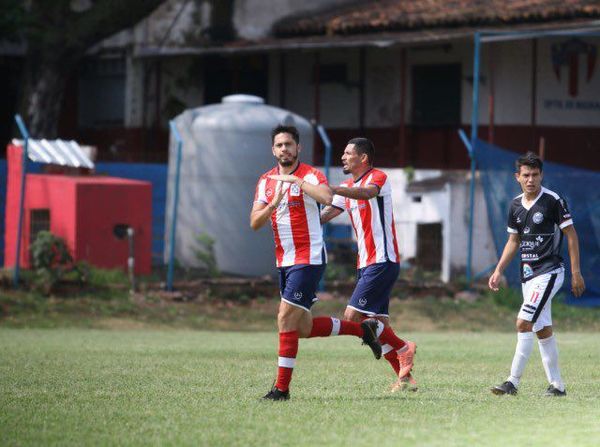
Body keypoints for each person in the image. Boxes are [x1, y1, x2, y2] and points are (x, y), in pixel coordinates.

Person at [250, 125, 383, 401]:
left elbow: (326, 197)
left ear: (298, 148)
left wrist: (298, 183)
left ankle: (281, 390)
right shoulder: (265, 181)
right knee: (302, 329)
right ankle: (363, 330)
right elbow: (254, 223)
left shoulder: (310, 174)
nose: (284, 149)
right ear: (273, 150)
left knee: (284, 319)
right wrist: (272, 204)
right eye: (279, 145)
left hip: (308, 259)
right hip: (284, 261)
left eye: (289, 144)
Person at [320, 137, 418, 392]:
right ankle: (404, 378)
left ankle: (405, 347)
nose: (342, 157)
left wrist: (334, 189)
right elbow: (326, 215)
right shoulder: (347, 186)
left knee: (352, 317)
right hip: (366, 263)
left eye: (347, 153)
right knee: (379, 325)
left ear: (363, 158)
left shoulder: (377, 178)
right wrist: (300, 217)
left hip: (382, 260)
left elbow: (367, 194)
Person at [489, 151, 585, 397]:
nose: (530, 179)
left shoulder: (553, 201)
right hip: (527, 275)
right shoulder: (515, 205)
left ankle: (512, 382)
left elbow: (571, 235)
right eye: (526, 175)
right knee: (542, 330)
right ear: (517, 177)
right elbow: (513, 240)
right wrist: (498, 270)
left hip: (550, 271)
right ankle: (557, 386)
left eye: (535, 174)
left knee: (523, 322)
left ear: (541, 175)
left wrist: (576, 273)